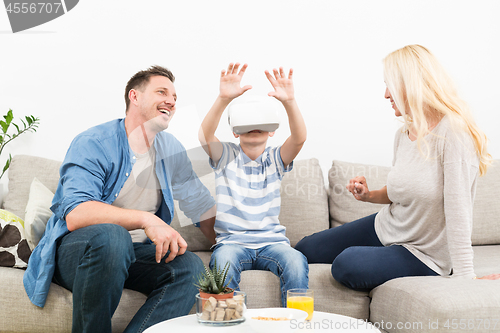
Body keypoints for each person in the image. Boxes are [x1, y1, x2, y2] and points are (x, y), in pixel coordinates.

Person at [23, 65, 217, 333]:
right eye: (162, 91)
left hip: (134, 255)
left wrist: (240, 241)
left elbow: (200, 207)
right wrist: (146, 219)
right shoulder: (94, 142)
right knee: (114, 237)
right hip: (80, 252)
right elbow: (77, 213)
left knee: (190, 266)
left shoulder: (171, 148)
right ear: (134, 97)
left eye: (174, 97)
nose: (171, 101)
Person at [295, 44, 498, 291]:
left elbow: (459, 208)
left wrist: (466, 275)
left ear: (410, 84)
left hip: (423, 253)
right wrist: (368, 195)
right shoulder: (404, 133)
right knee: (306, 248)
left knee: (347, 264)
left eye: (389, 85)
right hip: (388, 227)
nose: (386, 95)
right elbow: (400, 192)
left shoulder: (454, 132)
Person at [198, 63, 308, 307]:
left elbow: (299, 138)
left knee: (296, 260)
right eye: (247, 124)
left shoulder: (275, 160)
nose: (254, 128)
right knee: (222, 263)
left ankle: (297, 324)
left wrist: (289, 101)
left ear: (271, 131)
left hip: (273, 243)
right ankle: (232, 322)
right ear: (236, 132)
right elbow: (205, 135)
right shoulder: (225, 156)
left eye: (260, 124)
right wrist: (223, 98)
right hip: (232, 243)